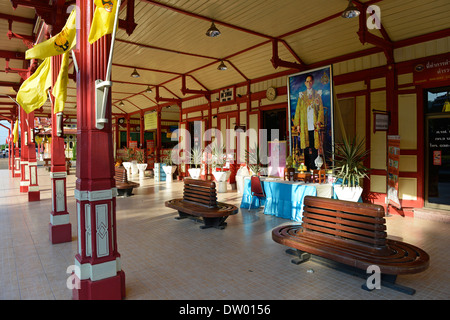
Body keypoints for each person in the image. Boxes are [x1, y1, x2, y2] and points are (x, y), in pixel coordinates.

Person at [292, 74, 324, 170]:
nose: (309, 83)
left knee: (314, 147)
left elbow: (321, 109)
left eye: (310, 81)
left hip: (313, 126)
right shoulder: (301, 96)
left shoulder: (317, 94)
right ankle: (305, 167)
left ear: (312, 82)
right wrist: (297, 124)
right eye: (307, 81)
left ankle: (314, 168)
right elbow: (298, 110)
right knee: (305, 147)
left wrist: (319, 121)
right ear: (305, 83)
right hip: (305, 125)